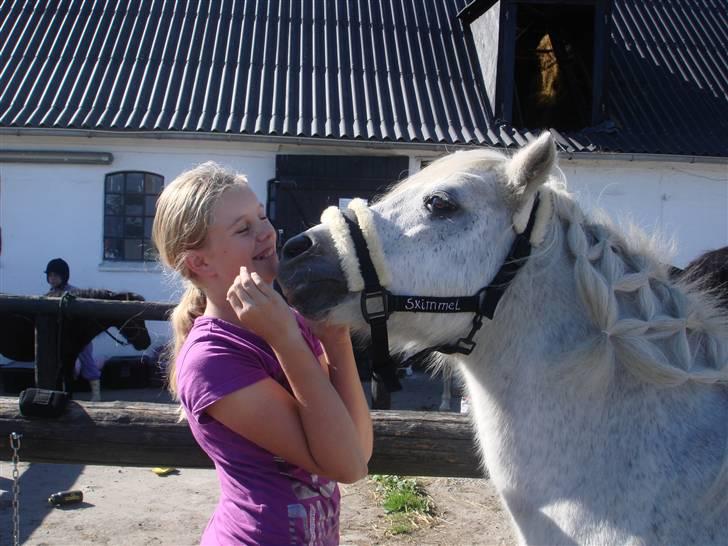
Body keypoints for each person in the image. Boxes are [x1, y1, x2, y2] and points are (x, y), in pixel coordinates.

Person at [151, 162, 372, 544]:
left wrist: (335, 340)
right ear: (199, 262)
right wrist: (286, 341)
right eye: (243, 229)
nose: (266, 233)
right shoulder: (211, 360)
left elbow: (358, 450)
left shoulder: (286, 321)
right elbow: (346, 466)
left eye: (262, 216)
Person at [44, 258, 102, 401]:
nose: (52, 279)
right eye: (50, 275)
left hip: (78, 337)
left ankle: (96, 394)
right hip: (60, 339)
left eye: (56, 275)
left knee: (87, 360)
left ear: (64, 276)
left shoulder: (74, 293)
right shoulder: (48, 295)